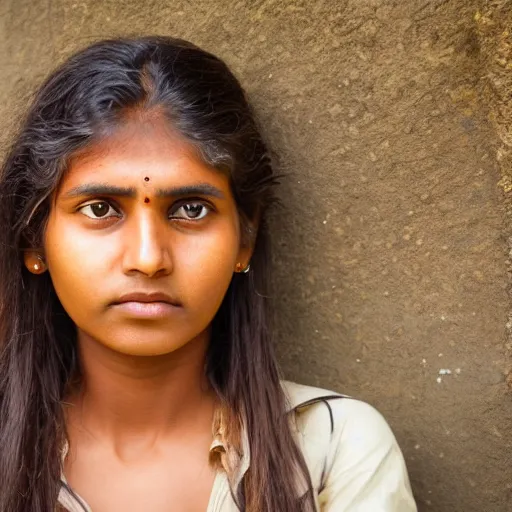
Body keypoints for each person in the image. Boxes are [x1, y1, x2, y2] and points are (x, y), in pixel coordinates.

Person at [0, 36, 417, 512]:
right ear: (34, 239)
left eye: (191, 209)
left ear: (245, 238)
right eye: (100, 209)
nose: (148, 258)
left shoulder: (333, 450)